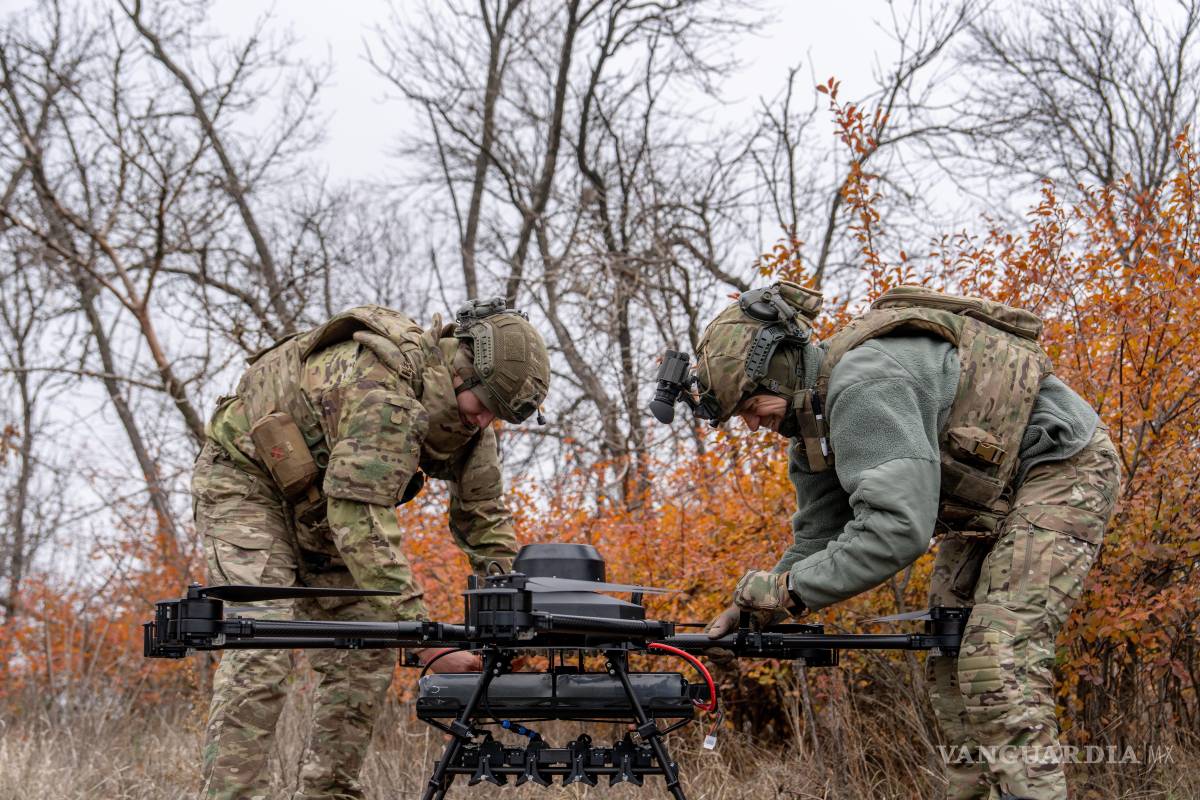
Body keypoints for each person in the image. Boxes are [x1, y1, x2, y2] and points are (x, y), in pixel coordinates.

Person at [667, 281, 1120, 800]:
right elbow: (819, 536)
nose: (750, 423)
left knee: (996, 659)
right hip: (990, 501)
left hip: (1064, 467)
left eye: (750, 404)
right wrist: (753, 609)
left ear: (781, 367)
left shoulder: (863, 387)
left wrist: (787, 590)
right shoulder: (813, 429)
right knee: (951, 657)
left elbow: (897, 532)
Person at [193, 298, 550, 800]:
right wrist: (425, 639)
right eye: (485, 404)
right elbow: (359, 517)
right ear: (462, 370)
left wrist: (516, 604)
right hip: (247, 483)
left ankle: (328, 793)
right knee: (263, 643)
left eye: (499, 415)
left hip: (323, 508)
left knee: (365, 652)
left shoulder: (471, 424)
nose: (486, 421)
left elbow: (484, 519)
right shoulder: (386, 391)